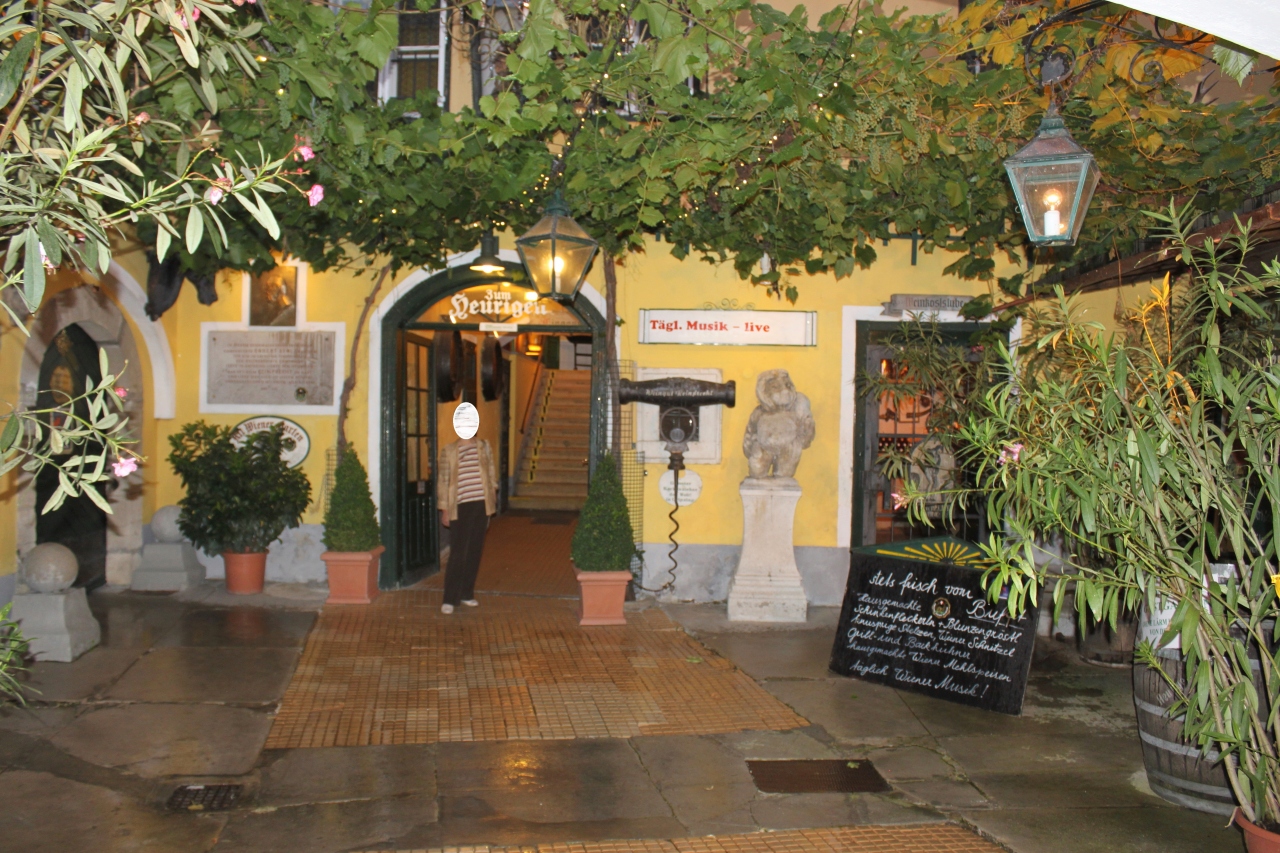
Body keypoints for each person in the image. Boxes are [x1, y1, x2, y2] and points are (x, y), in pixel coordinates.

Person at [436, 431, 498, 614]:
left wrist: (493, 493)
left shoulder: (484, 446)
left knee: (474, 551)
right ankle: (449, 598)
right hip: (460, 506)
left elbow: (491, 473)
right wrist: (444, 509)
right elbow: (443, 481)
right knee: (458, 553)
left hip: (481, 505)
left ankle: (466, 593)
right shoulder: (449, 451)